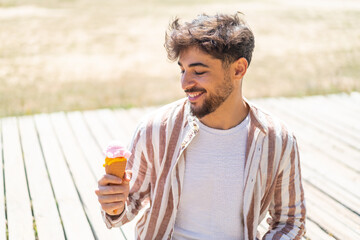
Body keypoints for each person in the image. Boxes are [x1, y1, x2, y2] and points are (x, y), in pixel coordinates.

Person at [95, 12, 306, 239]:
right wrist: (113, 204)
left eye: (198, 71)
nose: (185, 83)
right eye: (182, 70)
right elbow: (125, 207)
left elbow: (289, 221)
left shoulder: (277, 139)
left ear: (238, 69)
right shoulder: (155, 130)